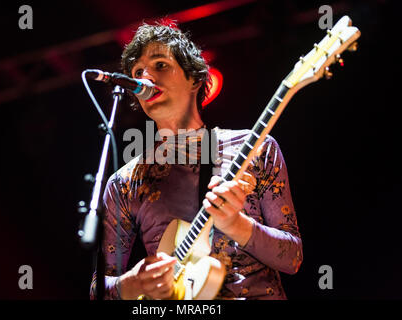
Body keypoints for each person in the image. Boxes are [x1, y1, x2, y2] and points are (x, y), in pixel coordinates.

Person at [90, 22, 302, 300]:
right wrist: (133, 283)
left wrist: (237, 225)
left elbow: (293, 258)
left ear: (194, 77)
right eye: (137, 72)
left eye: (160, 65)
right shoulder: (125, 182)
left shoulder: (255, 148)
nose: (146, 76)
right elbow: (98, 290)